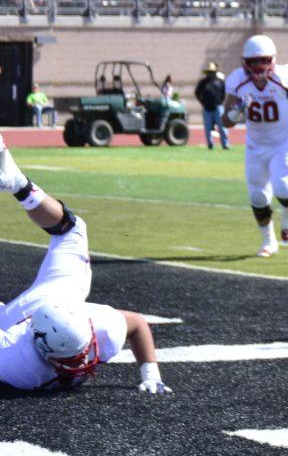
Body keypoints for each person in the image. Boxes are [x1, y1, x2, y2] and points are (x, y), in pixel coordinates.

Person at [0, 135, 171, 394]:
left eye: (82, 351)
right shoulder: (15, 363)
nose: (83, 360)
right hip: (12, 321)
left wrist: (151, 375)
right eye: (73, 358)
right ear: (43, 351)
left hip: (59, 297)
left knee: (72, 229)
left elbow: (136, 324)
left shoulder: (101, 327)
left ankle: (19, 185)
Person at [222, 35, 288, 257]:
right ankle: (269, 241)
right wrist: (237, 110)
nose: (259, 66)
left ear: (273, 60)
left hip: (284, 140)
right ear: (244, 62)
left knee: (284, 188)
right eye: (254, 61)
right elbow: (225, 121)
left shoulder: (285, 77)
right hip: (256, 144)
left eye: (264, 60)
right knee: (257, 196)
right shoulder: (237, 81)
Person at [194, 63, 229, 150]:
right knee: (208, 127)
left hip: (218, 107)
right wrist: (202, 102)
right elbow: (197, 93)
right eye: (209, 72)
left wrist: (220, 101)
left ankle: (225, 144)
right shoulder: (203, 83)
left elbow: (224, 93)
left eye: (211, 72)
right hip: (207, 108)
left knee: (222, 127)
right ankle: (210, 144)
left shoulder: (220, 82)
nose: (210, 74)